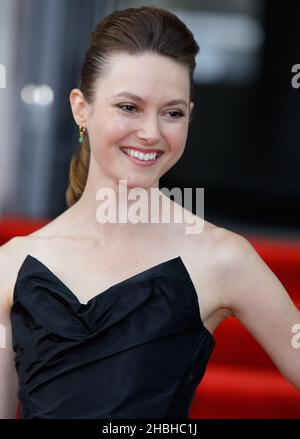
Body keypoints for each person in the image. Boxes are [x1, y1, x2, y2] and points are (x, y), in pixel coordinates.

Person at [0, 5, 299, 420]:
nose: (151, 132)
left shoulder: (223, 258)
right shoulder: (12, 265)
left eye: (172, 113)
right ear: (80, 108)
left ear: (190, 118)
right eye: (129, 107)